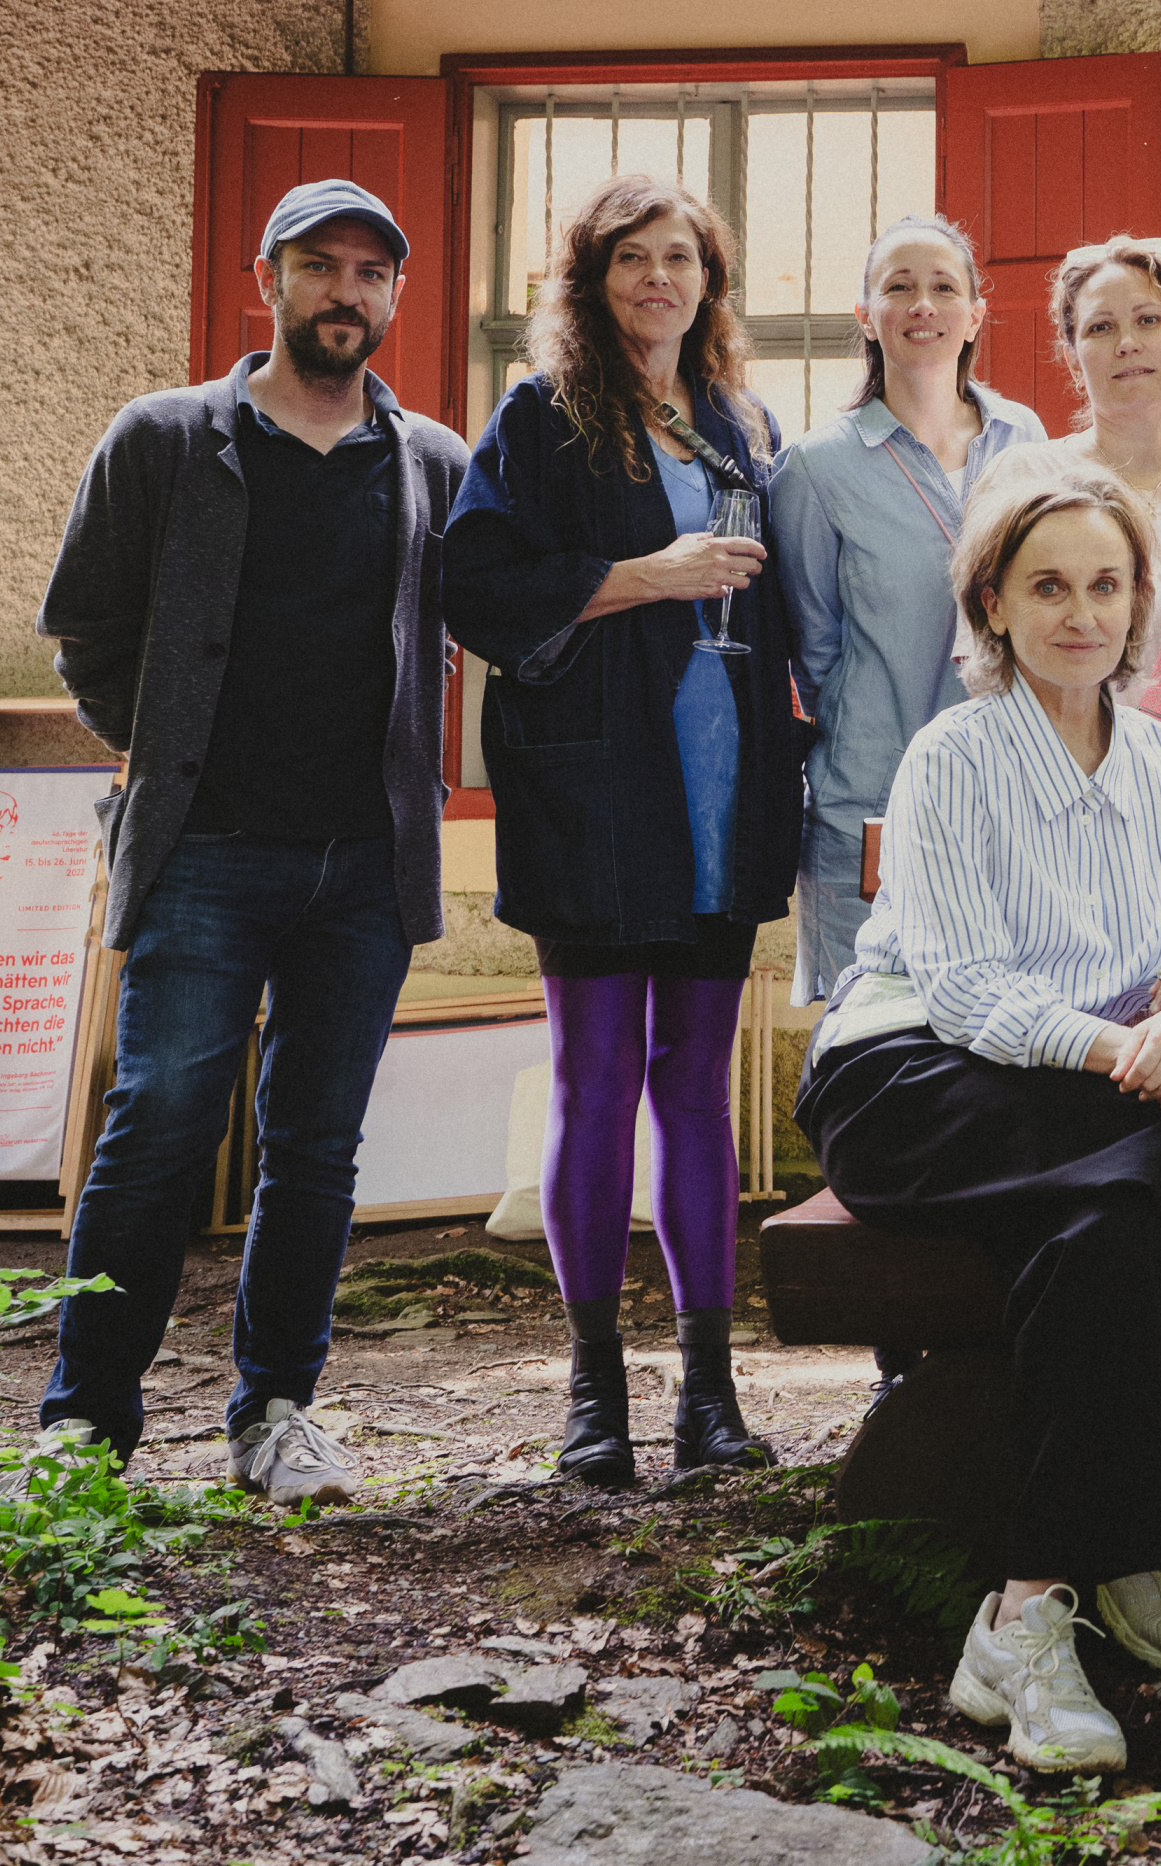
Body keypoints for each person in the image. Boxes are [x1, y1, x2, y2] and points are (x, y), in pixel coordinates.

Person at [794, 464, 1161, 1773]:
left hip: (1078, 1098)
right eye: (1048, 585)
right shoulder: (953, 757)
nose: (1081, 612)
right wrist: (1147, 1054)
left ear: (1140, 605)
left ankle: (1026, 1609)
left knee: (1107, 1229)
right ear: (994, 606)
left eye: (1106, 585)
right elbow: (963, 991)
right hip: (913, 1078)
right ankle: (1145, 1532)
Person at [35, 179, 469, 1503]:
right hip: (206, 855)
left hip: (364, 866)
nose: (346, 291)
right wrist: (173, 748)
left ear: (395, 296)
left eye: (370, 272)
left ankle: (277, 1413)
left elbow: (479, 629)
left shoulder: (432, 463)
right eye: (319, 264)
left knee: (317, 1146)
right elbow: (88, 631)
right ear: (266, 281)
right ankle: (83, 1426)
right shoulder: (165, 439)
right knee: (159, 1123)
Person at [442, 177, 801, 1487]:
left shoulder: (742, 423)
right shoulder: (540, 418)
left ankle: (710, 1392)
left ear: (711, 282)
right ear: (591, 282)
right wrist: (643, 577)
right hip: (593, 794)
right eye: (633, 258)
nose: (660, 278)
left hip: (721, 786)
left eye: (682, 258)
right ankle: (594, 1392)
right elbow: (473, 584)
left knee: (695, 1085)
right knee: (595, 1081)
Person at [769, 213, 1048, 1002]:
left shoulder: (1025, 441)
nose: (923, 305)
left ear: (975, 315)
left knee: (1008, 1030)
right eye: (899, 287)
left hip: (1010, 801)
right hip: (870, 800)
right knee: (873, 1034)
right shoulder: (815, 468)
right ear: (866, 316)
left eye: (943, 288)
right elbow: (814, 647)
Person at [974, 235, 1161, 774]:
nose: (1127, 343)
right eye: (1100, 328)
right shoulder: (1023, 479)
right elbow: (983, 664)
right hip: (1043, 786)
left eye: (1148, 320)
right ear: (1072, 359)